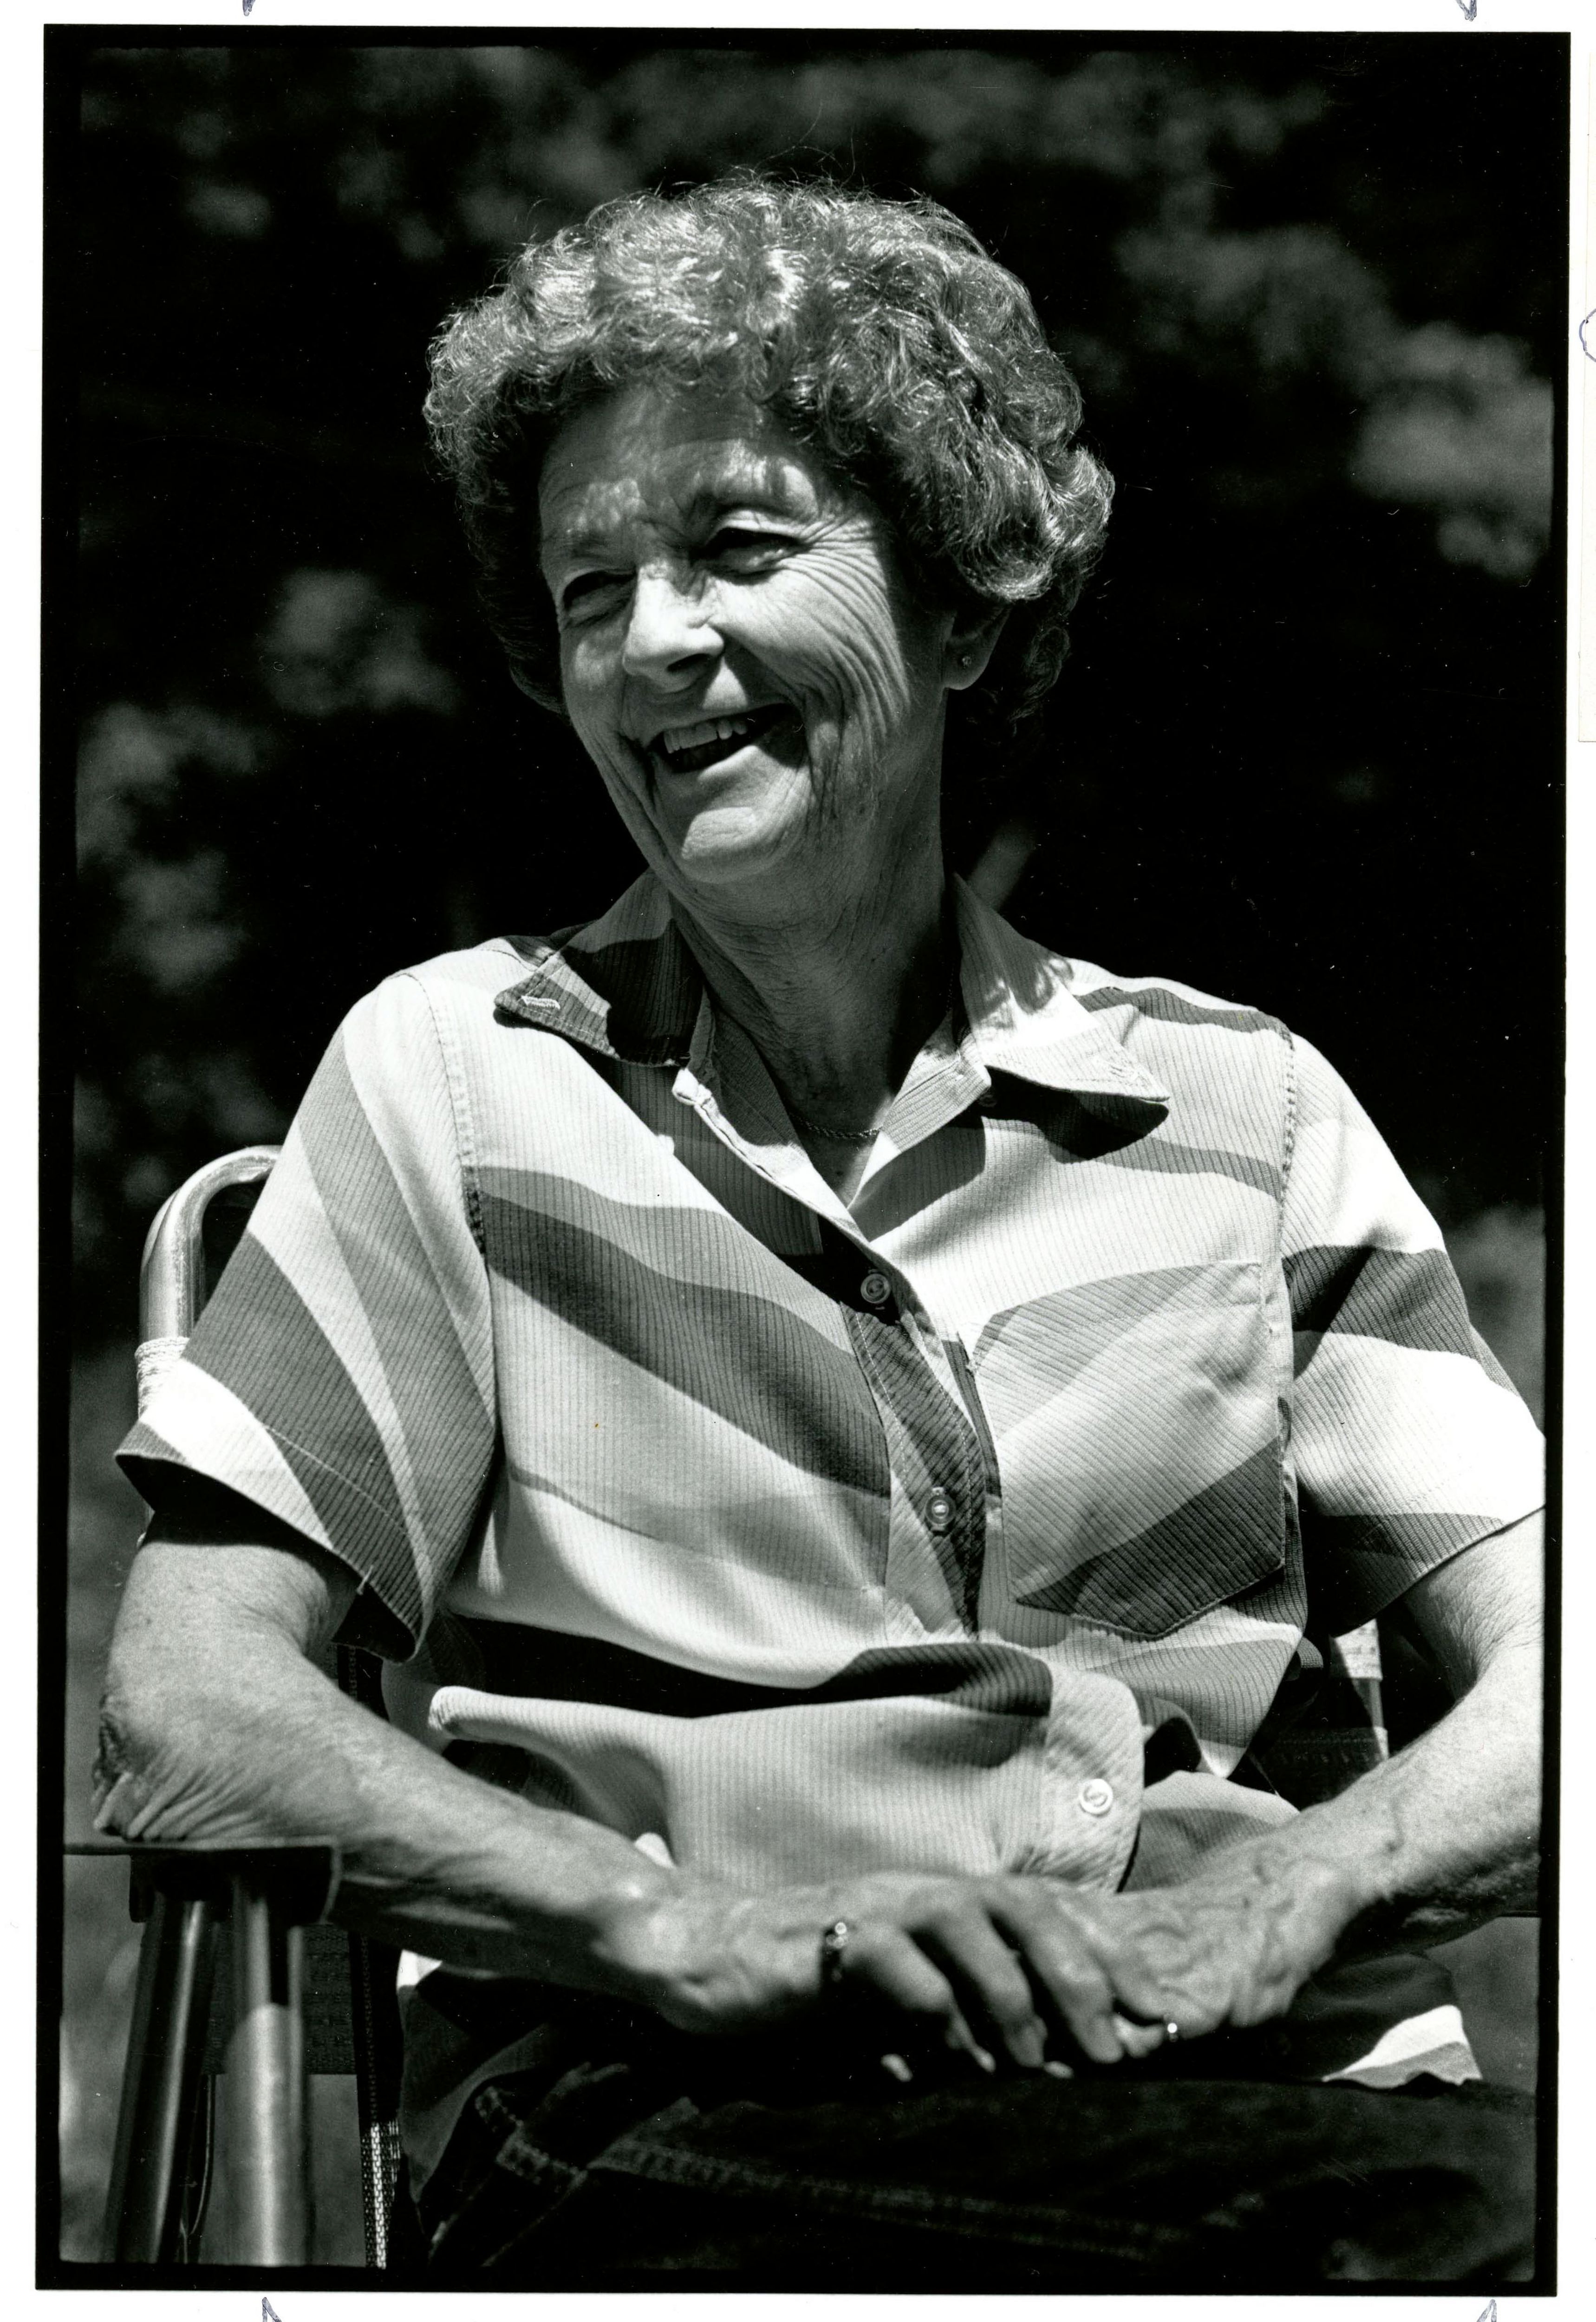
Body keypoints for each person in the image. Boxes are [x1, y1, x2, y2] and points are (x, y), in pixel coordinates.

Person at [98, 177, 1544, 2289]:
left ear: (964, 607)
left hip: (1249, 2078)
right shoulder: (465, 1081)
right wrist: (687, 1930)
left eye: (740, 551)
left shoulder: (1242, 1112)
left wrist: (1299, 1892)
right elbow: (191, 1711)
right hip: (670, 2105)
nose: (652, 643)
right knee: (1456, 2228)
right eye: (592, 590)